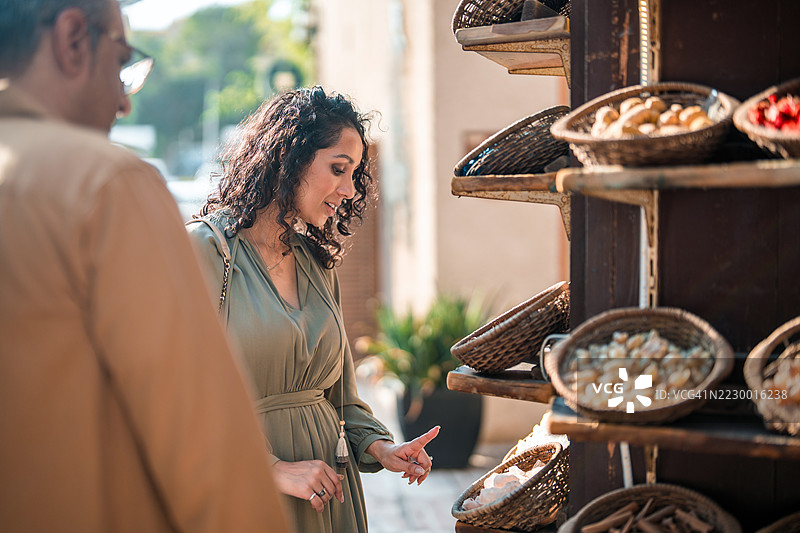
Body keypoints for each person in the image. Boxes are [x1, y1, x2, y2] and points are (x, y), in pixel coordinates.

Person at [0, 1, 293, 532]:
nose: (124, 102)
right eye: (121, 63)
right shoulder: (104, 186)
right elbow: (206, 445)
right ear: (71, 38)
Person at [186, 86, 439, 533]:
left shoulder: (316, 264)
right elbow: (172, 402)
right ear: (290, 157)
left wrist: (380, 448)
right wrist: (271, 469)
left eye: (354, 174)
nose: (347, 189)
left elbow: (341, 399)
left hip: (331, 497)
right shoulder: (203, 251)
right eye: (338, 169)